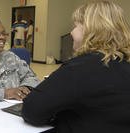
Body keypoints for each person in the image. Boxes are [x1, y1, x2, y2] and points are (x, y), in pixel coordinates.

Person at [22, 1, 130, 133]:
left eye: (75, 26)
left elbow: (33, 111)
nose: (71, 32)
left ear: (89, 30)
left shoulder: (80, 68)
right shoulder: (124, 63)